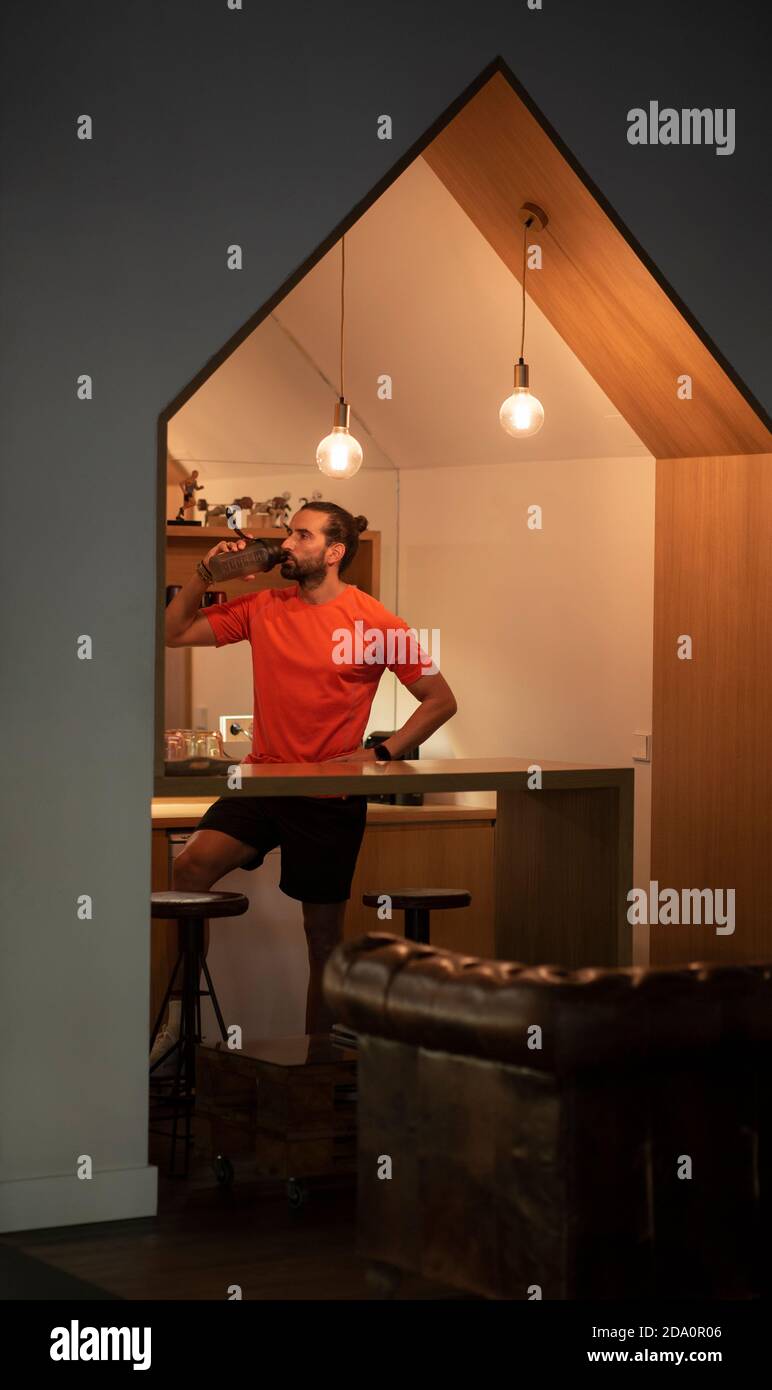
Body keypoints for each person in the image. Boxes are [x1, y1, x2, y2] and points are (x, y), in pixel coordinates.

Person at [155, 500, 457, 1064]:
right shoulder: (264, 605)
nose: (287, 544)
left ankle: (315, 1070)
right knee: (189, 867)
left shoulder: (374, 622)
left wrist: (381, 752)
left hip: (328, 798)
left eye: (301, 534)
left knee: (322, 938)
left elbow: (440, 700)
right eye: (287, 533)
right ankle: (179, 1026)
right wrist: (202, 575)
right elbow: (173, 633)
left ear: (334, 552)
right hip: (264, 784)